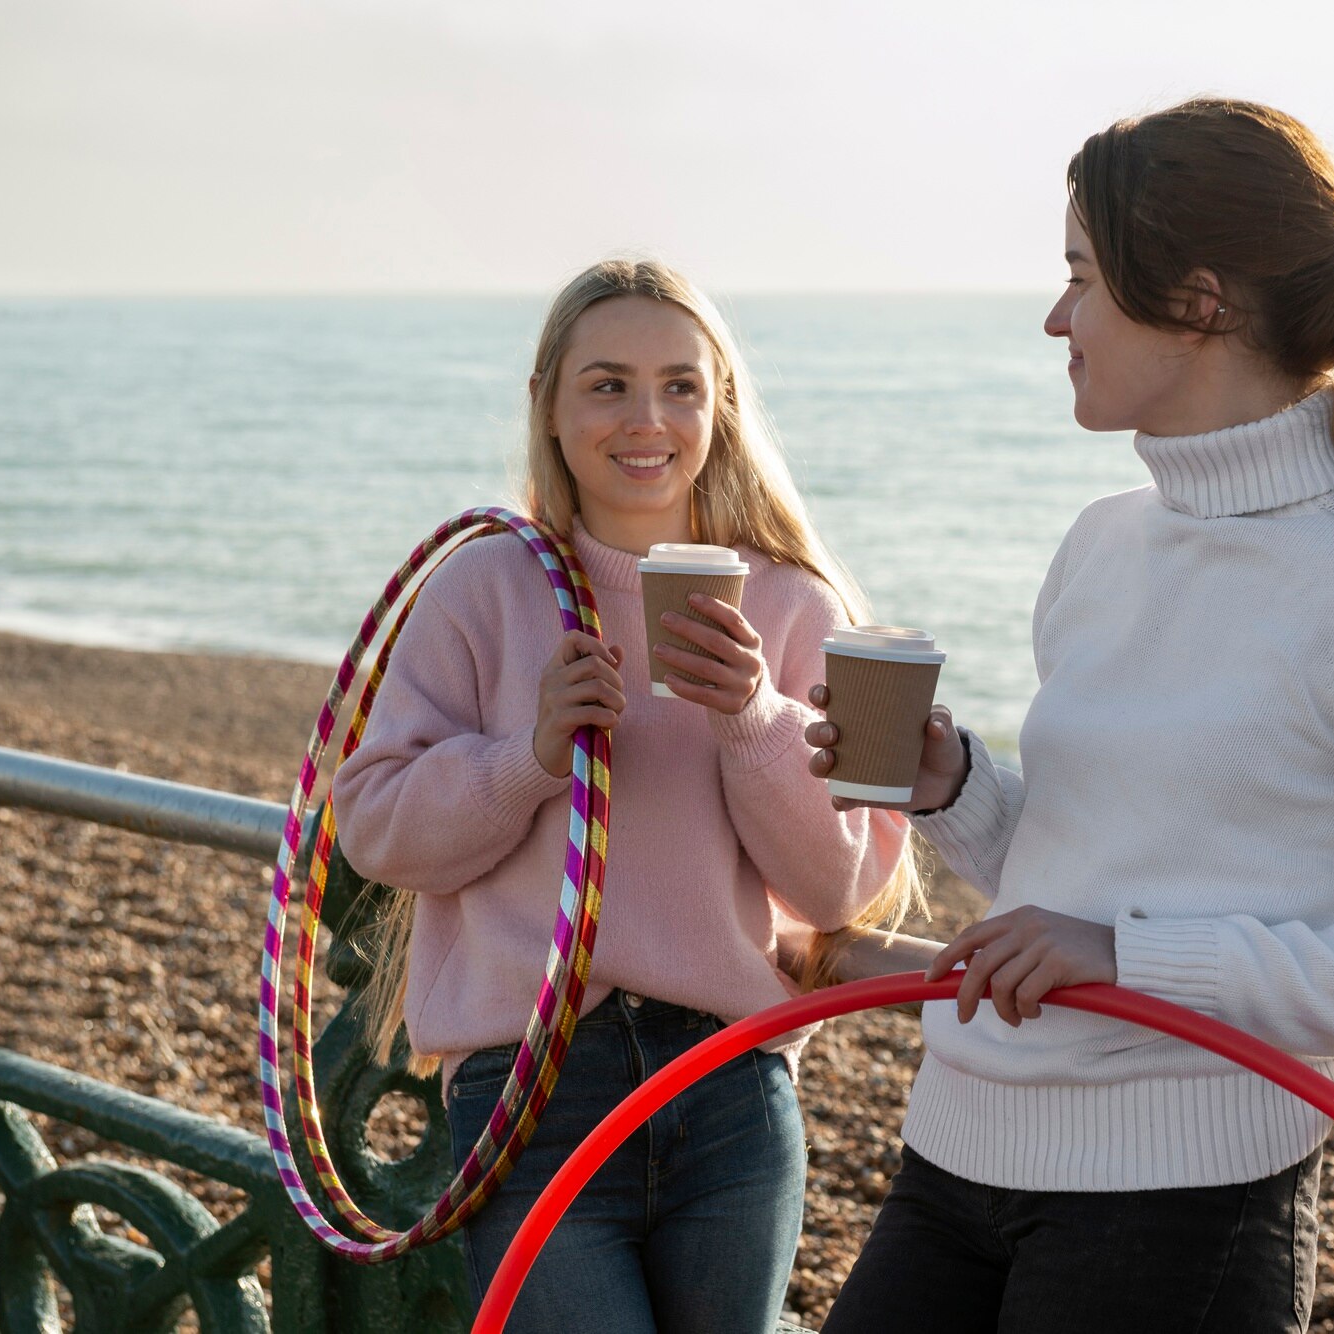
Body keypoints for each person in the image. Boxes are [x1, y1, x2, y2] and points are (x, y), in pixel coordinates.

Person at [811, 98, 1334, 1333]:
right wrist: (954, 791)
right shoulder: (1102, 544)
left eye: (1080, 280)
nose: (1055, 319)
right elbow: (1090, 870)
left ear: (1198, 302)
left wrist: (1131, 956)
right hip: (956, 1147)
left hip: (1179, 1198)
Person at [333, 258, 920, 1333]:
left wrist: (754, 718)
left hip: (731, 1096)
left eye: (680, 385)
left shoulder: (792, 600)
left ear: (720, 405)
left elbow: (841, 883)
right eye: (606, 384)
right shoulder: (481, 587)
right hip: (531, 1091)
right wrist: (531, 752)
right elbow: (371, 826)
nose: (646, 417)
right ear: (547, 406)